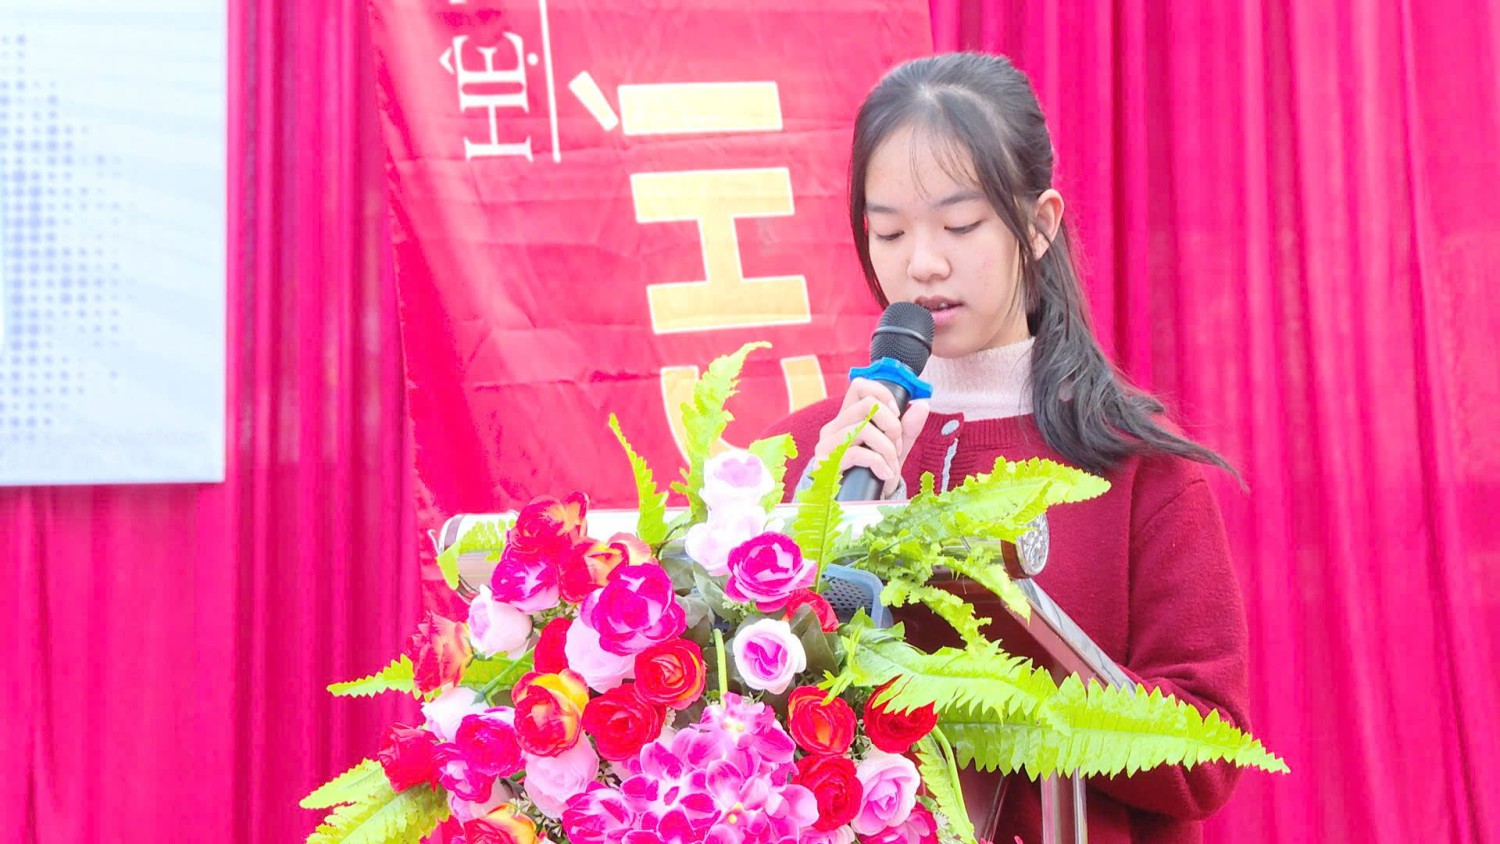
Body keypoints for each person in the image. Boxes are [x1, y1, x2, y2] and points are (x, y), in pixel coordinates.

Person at [763, 52, 1251, 844]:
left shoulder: (1136, 468)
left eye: (960, 226)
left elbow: (1208, 756)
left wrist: (1012, 680)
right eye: (889, 231)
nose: (922, 263)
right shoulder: (804, 454)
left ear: (1039, 223)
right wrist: (808, 530)